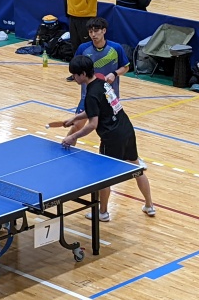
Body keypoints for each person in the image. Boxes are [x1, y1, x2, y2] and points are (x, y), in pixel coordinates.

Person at [61, 55, 156, 220]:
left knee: (103, 177)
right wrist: (75, 118)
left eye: (75, 75)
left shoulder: (90, 94)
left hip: (111, 137)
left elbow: (92, 124)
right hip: (126, 129)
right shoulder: (102, 83)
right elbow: (98, 109)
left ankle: (103, 212)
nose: (74, 78)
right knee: (136, 169)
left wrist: (72, 137)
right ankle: (149, 205)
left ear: (82, 74)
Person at [63, 17, 130, 145]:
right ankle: (66, 145)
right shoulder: (83, 49)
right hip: (88, 95)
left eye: (96, 31)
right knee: (77, 124)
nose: (93, 34)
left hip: (110, 96)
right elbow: (76, 67)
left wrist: (114, 73)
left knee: (111, 128)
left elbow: (126, 67)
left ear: (104, 31)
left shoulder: (116, 48)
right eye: (90, 32)